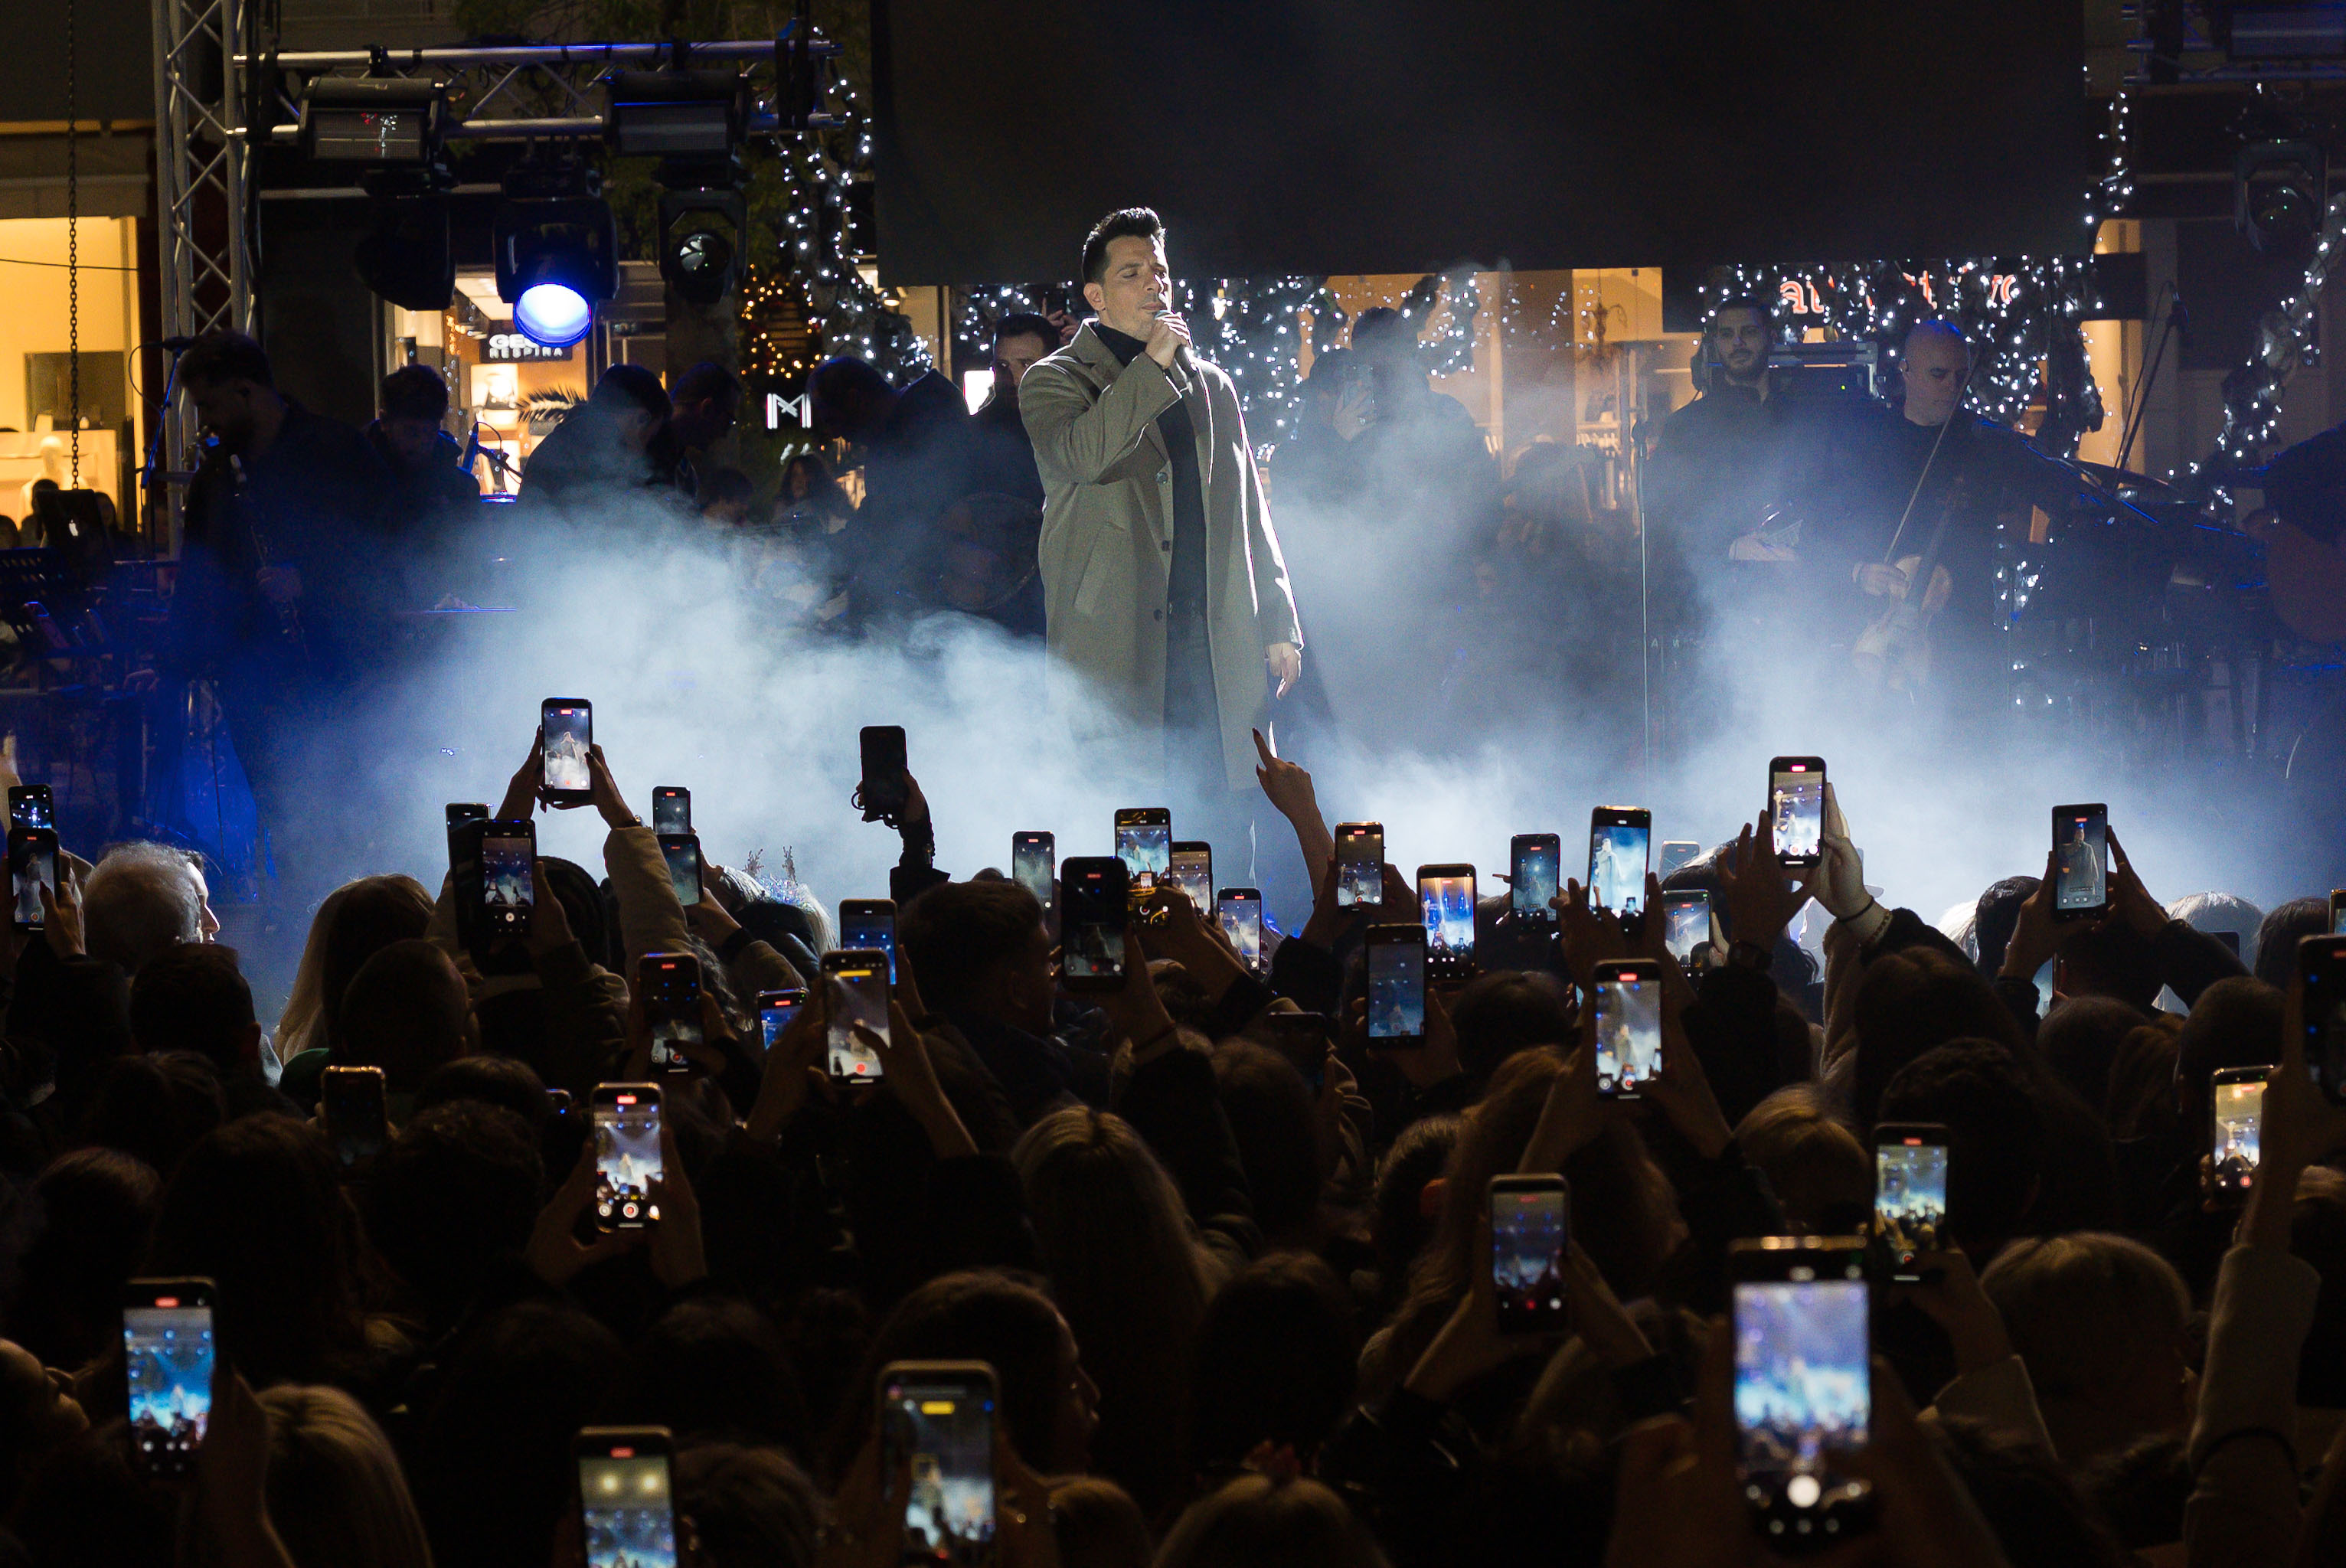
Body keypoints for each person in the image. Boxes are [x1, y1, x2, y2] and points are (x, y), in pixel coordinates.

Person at [1020, 207, 1304, 861]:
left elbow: (1249, 511)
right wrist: (1150, 367)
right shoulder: (1056, 381)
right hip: (1119, 643)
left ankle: (1233, 957)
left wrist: (1279, 619)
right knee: (1131, 839)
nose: (1155, 284)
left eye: (1161, 271)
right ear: (1096, 295)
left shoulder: (1212, 386)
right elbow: (1086, 456)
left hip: (1210, 644)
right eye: (1132, 272)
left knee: (1228, 835)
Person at [165, 332, 397, 914]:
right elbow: (201, 577)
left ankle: (363, 923)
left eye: (214, 406)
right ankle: (304, 931)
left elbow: (390, 552)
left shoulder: (336, 449)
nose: (209, 423)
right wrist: (179, 663)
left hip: (342, 671)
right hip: (257, 682)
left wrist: (311, 582)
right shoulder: (219, 475)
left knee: (351, 810)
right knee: (282, 814)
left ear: (247, 390)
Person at [516, 363, 673, 511]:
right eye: (649, 436)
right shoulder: (598, 455)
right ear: (641, 419)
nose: (644, 449)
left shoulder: (570, 439)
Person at [368, 364, 481, 521]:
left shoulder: (355, 478)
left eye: (429, 433)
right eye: (411, 432)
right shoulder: (461, 487)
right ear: (385, 422)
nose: (421, 443)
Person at [969, 312, 1055, 510]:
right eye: (1003, 365)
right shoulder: (974, 433)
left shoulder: (1074, 424)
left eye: (1026, 364)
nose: (1014, 379)